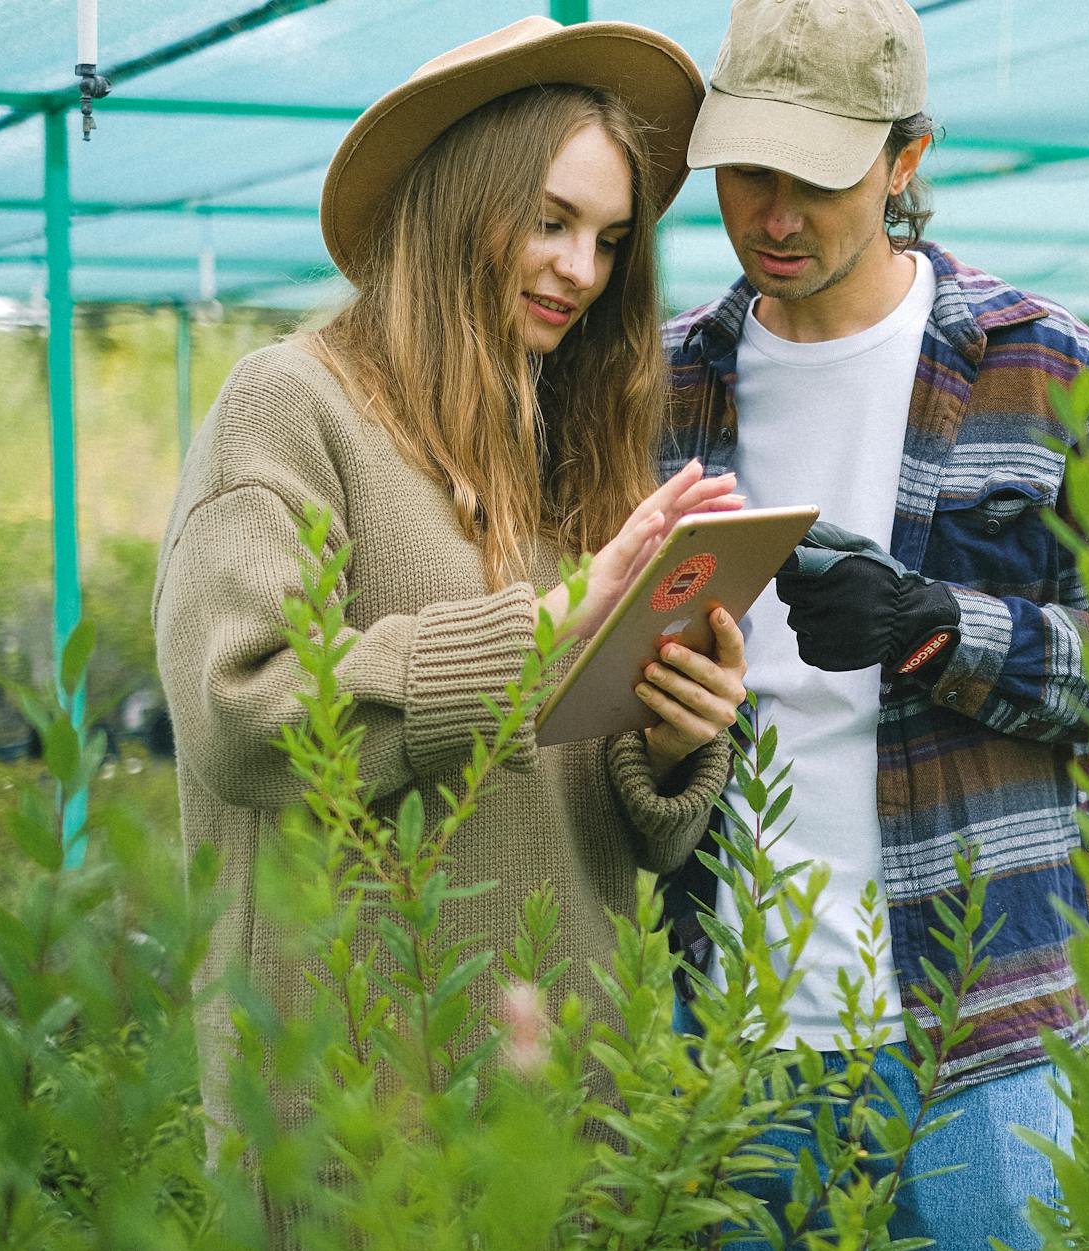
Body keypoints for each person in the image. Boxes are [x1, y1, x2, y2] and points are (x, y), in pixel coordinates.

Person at [660, 0, 1089, 1246]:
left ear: (905, 160)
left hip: (980, 1032)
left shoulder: (1042, 367)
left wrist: (935, 628)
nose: (775, 216)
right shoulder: (664, 381)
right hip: (730, 1027)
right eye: (747, 172)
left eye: (818, 178)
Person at [152, 17, 747, 1159]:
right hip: (356, 1105)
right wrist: (553, 620)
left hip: (570, 1092)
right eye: (550, 220)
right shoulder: (291, 405)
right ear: (458, 202)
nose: (582, 269)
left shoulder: (564, 437)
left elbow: (579, 786)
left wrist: (670, 739)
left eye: (611, 239)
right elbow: (244, 710)